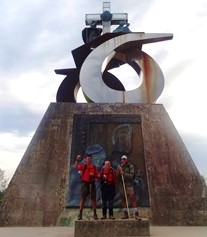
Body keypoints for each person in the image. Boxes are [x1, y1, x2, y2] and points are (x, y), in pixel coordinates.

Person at [74, 154, 100, 220]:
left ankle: (95, 214)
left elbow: (98, 176)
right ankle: (80, 214)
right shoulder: (83, 166)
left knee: (93, 199)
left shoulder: (94, 167)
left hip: (92, 183)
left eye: (90, 158)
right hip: (85, 184)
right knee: (83, 199)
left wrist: (96, 177)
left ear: (91, 159)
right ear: (85, 159)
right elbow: (76, 167)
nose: (89, 160)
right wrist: (77, 159)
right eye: (88, 158)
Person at [117, 155, 139, 219]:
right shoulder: (119, 166)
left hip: (129, 184)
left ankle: (136, 213)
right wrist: (119, 172)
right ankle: (125, 213)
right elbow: (117, 176)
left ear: (127, 160)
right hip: (122, 185)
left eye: (124, 159)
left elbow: (131, 176)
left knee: (132, 197)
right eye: (122, 159)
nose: (123, 160)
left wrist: (124, 174)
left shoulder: (130, 166)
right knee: (123, 198)